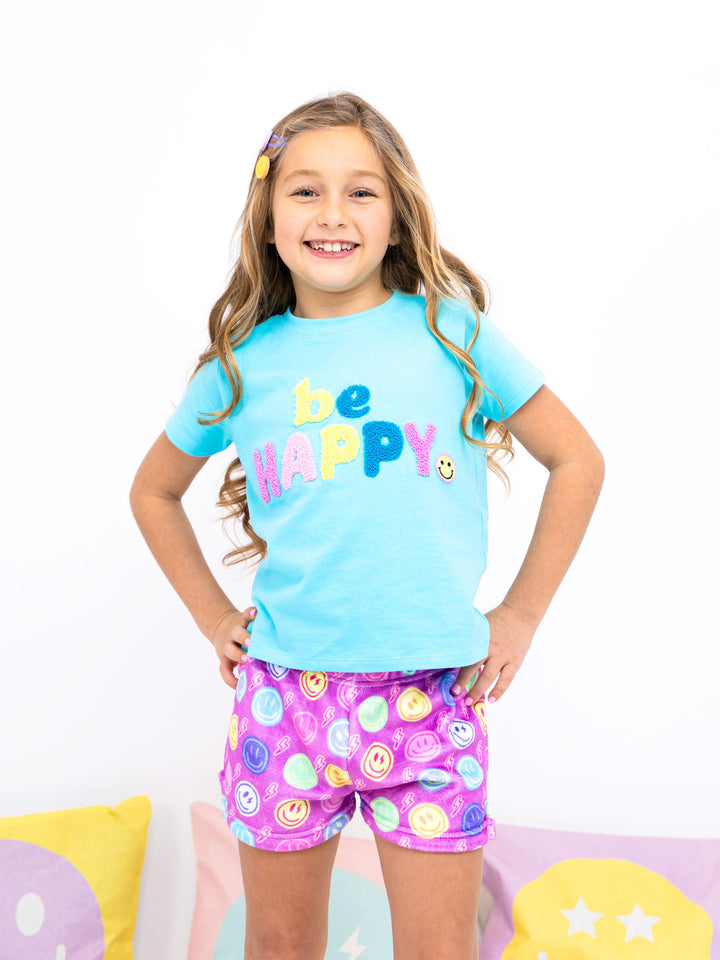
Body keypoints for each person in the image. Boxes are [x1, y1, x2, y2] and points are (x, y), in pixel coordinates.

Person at [130, 92, 604, 960]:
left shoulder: (452, 334)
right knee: (278, 944)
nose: (334, 213)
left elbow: (578, 462)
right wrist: (211, 616)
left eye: (363, 191)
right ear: (268, 221)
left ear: (397, 217)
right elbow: (152, 492)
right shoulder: (244, 365)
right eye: (305, 191)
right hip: (285, 702)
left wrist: (522, 615)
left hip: (431, 699)